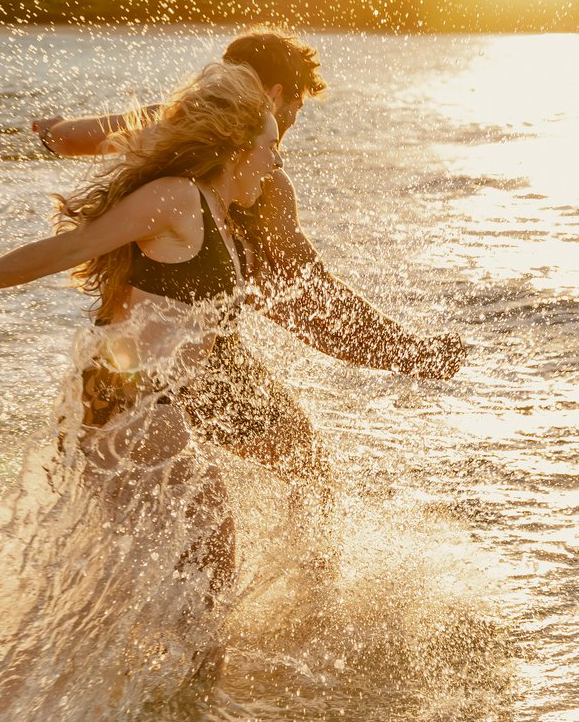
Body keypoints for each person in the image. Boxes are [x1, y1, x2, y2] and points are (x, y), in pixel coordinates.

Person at [0, 61, 283, 598]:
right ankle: (190, 675)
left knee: (134, 571)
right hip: (127, 397)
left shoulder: (215, 209)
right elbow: (69, 248)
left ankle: (109, 670)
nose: (275, 160)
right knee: (208, 556)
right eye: (269, 146)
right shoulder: (178, 198)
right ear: (237, 148)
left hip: (130, 399)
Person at [31, 30, 468, 491]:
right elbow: (306, 298)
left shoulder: (166, 129)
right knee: (309, 466)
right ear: (277, 94)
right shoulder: (264, 188)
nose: (292, 125)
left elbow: (64, 139)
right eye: (296, 108)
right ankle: (305, 567)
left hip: (116, 356)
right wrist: (410, 353)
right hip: (197, 362)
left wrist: (50, 128)